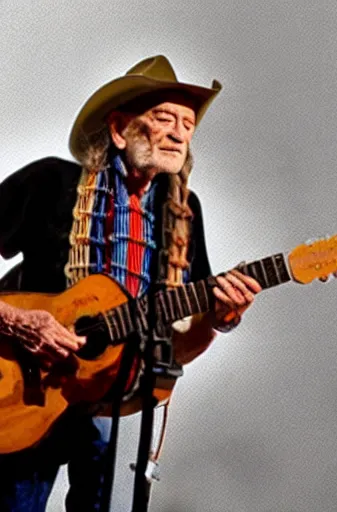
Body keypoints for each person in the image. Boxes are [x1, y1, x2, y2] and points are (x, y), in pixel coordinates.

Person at [0, 55, 262, 511]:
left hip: (114, 401)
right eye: (164, 118)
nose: (181, 133)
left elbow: (180, 342)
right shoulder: (49, 181)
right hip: (19, 389)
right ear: (120, 128)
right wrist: (20, 323)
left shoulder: (184, 212)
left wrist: (219, 319)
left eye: (188, 124)